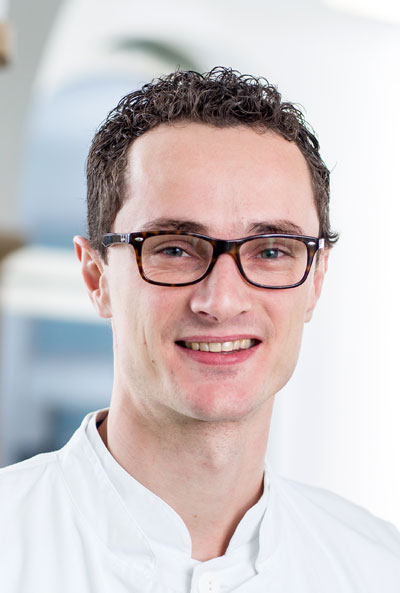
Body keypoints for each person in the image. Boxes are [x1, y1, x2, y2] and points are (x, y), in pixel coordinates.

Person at [1, 67, 399, 592]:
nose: (221, 301)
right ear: (96, 277)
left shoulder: (378, 568)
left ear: (316, 280)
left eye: (271, 251)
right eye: (173, 248)